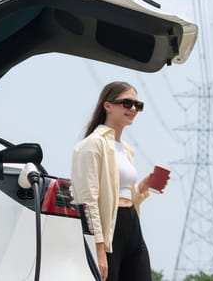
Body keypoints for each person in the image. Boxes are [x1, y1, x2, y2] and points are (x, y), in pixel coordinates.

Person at [71, 81, 160, 281]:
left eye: (138, 105)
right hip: (108, 232)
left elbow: (121, 193)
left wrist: (143, 187)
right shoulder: (92, 145)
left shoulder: (126, 149)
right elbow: (88, 199)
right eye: (127, 103)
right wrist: (99, 249)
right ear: (107, 105)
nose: (134, 109)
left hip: (132, 225)